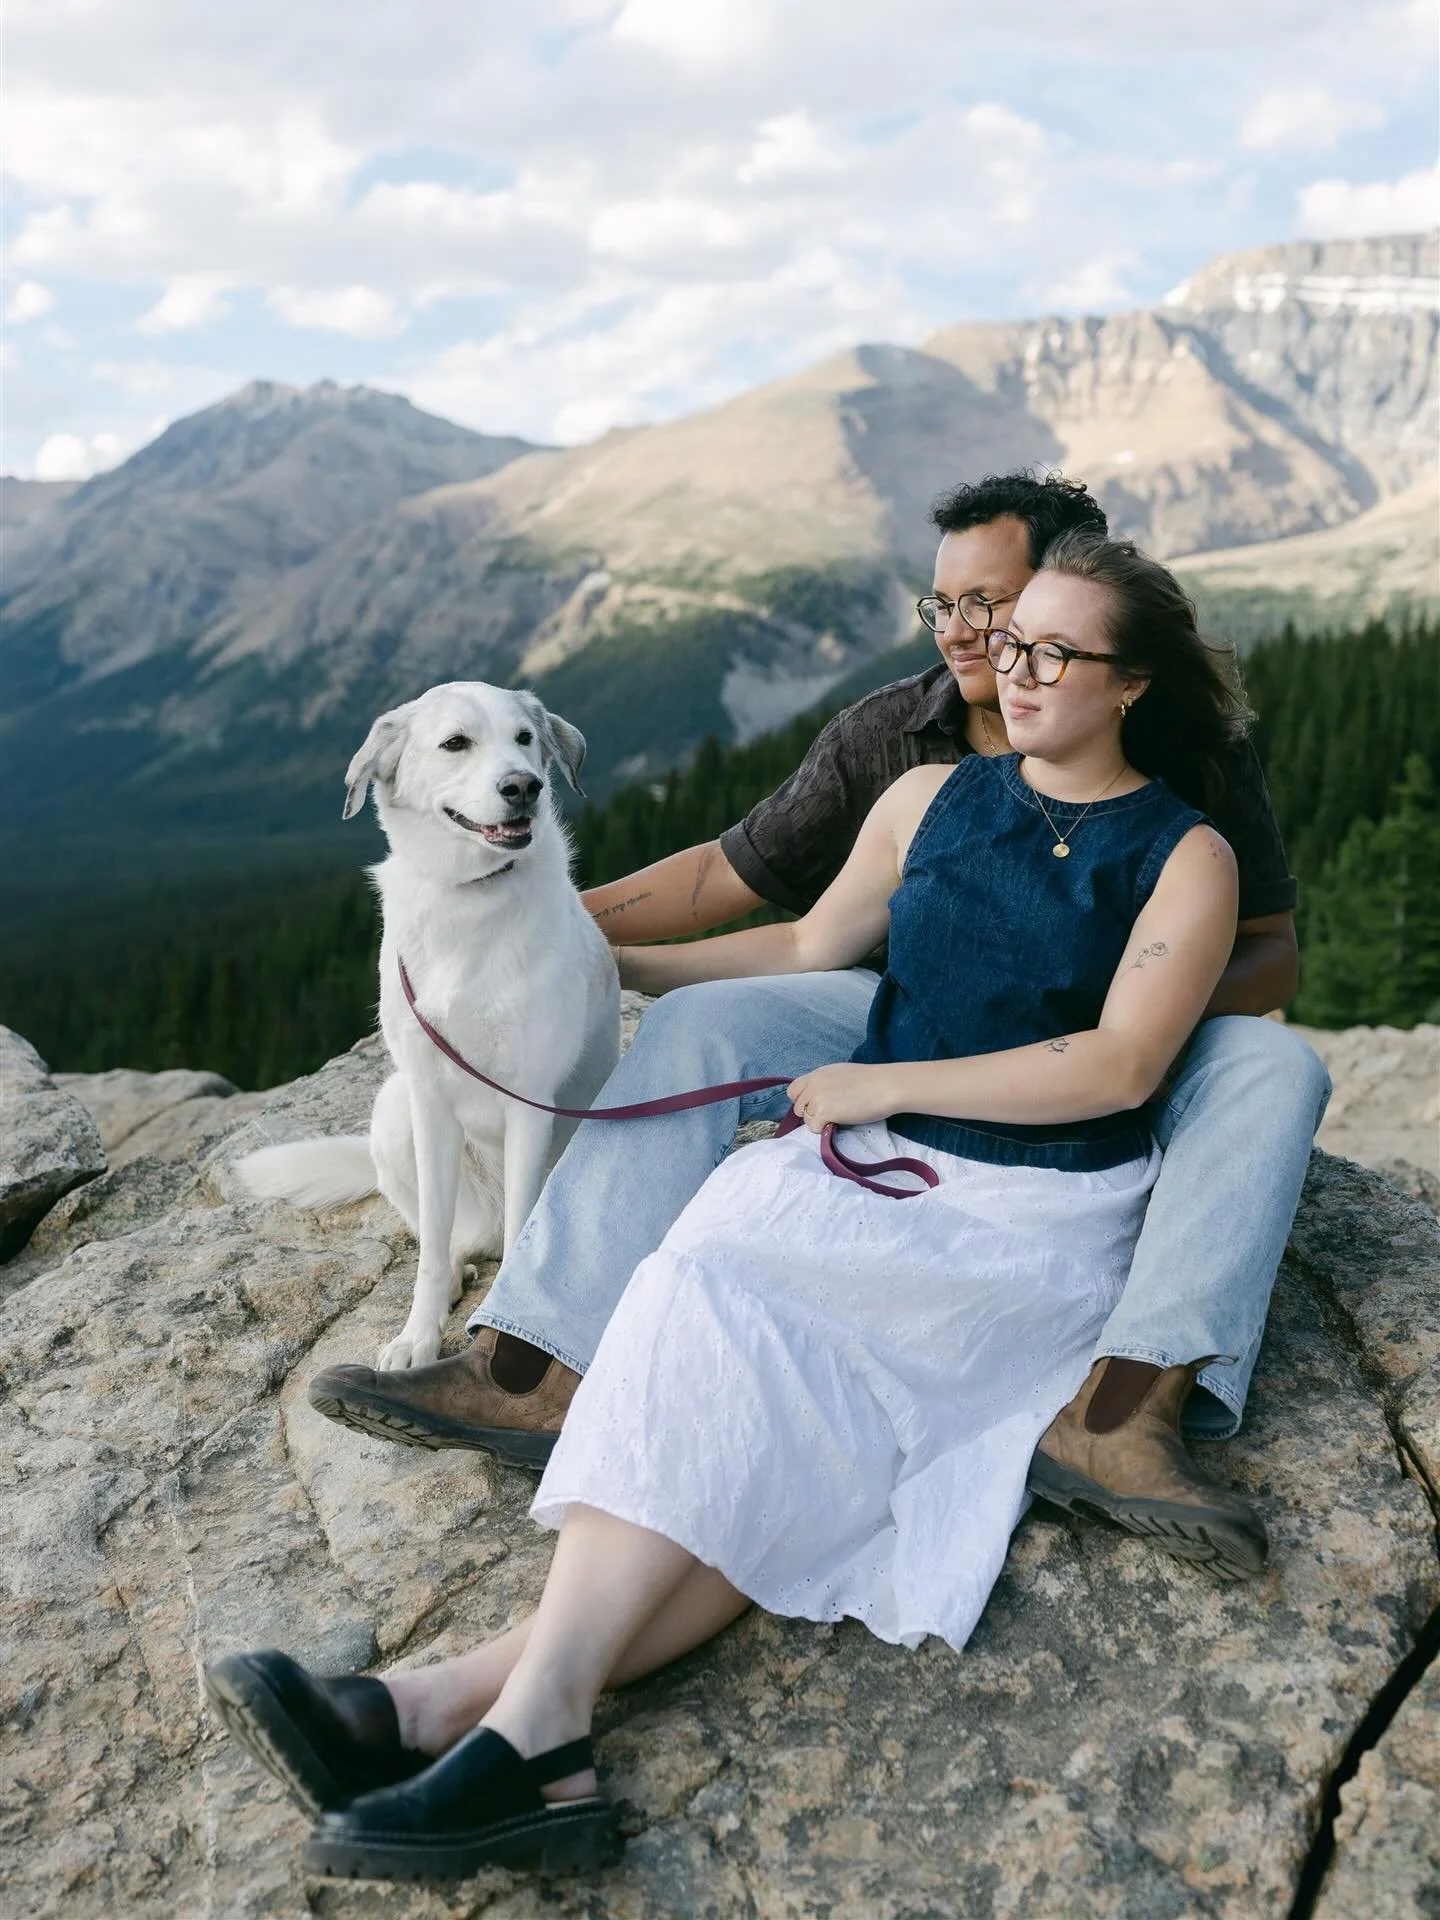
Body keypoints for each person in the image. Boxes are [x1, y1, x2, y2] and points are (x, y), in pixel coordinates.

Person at [213, 534, 1258, 1880]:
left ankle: (481, 1720)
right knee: (696, 1292)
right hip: (870, 1175)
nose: (1015, 663)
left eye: (1057, 650)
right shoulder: (930, 797)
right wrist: (577, 953)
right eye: (1011, 639)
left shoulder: (1187, 855)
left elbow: (1120, 1065)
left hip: (1024, 1216)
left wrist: (882, 1082)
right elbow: (807, 947)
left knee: (768, 1369)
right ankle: (473, 1717)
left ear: (1132, 684)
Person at [308, 472, 1330, 1580]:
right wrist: (558, 938)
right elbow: (742, 887)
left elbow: (1271, 951)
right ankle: (530, 1363)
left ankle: (1131, 1408)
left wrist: (1103, 1015)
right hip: (907, 1007)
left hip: (1127, 1028)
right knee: (699, 1025)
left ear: (1069, 596)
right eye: (944, 607)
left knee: (1277, 1068)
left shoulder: (1191, 758)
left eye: (995, 605)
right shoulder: (894, 735)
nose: (967, 635)